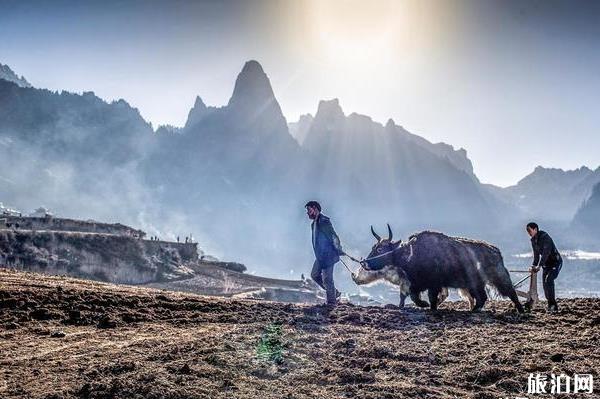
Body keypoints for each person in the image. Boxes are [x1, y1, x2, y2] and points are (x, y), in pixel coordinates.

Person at [305, 201, 343, 306]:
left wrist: (338, 248)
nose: (307, 213)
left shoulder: (324, 221)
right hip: (320, 256)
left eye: (309, 210)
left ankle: (331, 303)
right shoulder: (314, 224)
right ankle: (334, 293)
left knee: (327, 279)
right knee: (314, 274)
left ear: (315, 208)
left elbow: (333, 236)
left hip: (328, 255)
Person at [526, 222, 563, 312]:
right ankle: (550, 304)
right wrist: (533, 266)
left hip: (555, 263)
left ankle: (553, 306)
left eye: (529, 230)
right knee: (545, 286)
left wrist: (539, 266)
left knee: (549, 280)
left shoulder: (545, 237)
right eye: (527, 231)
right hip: (546, 265)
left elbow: (546, 253)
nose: (528, 233)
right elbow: (536, 256)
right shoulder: (533, 241)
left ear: (535, 229)